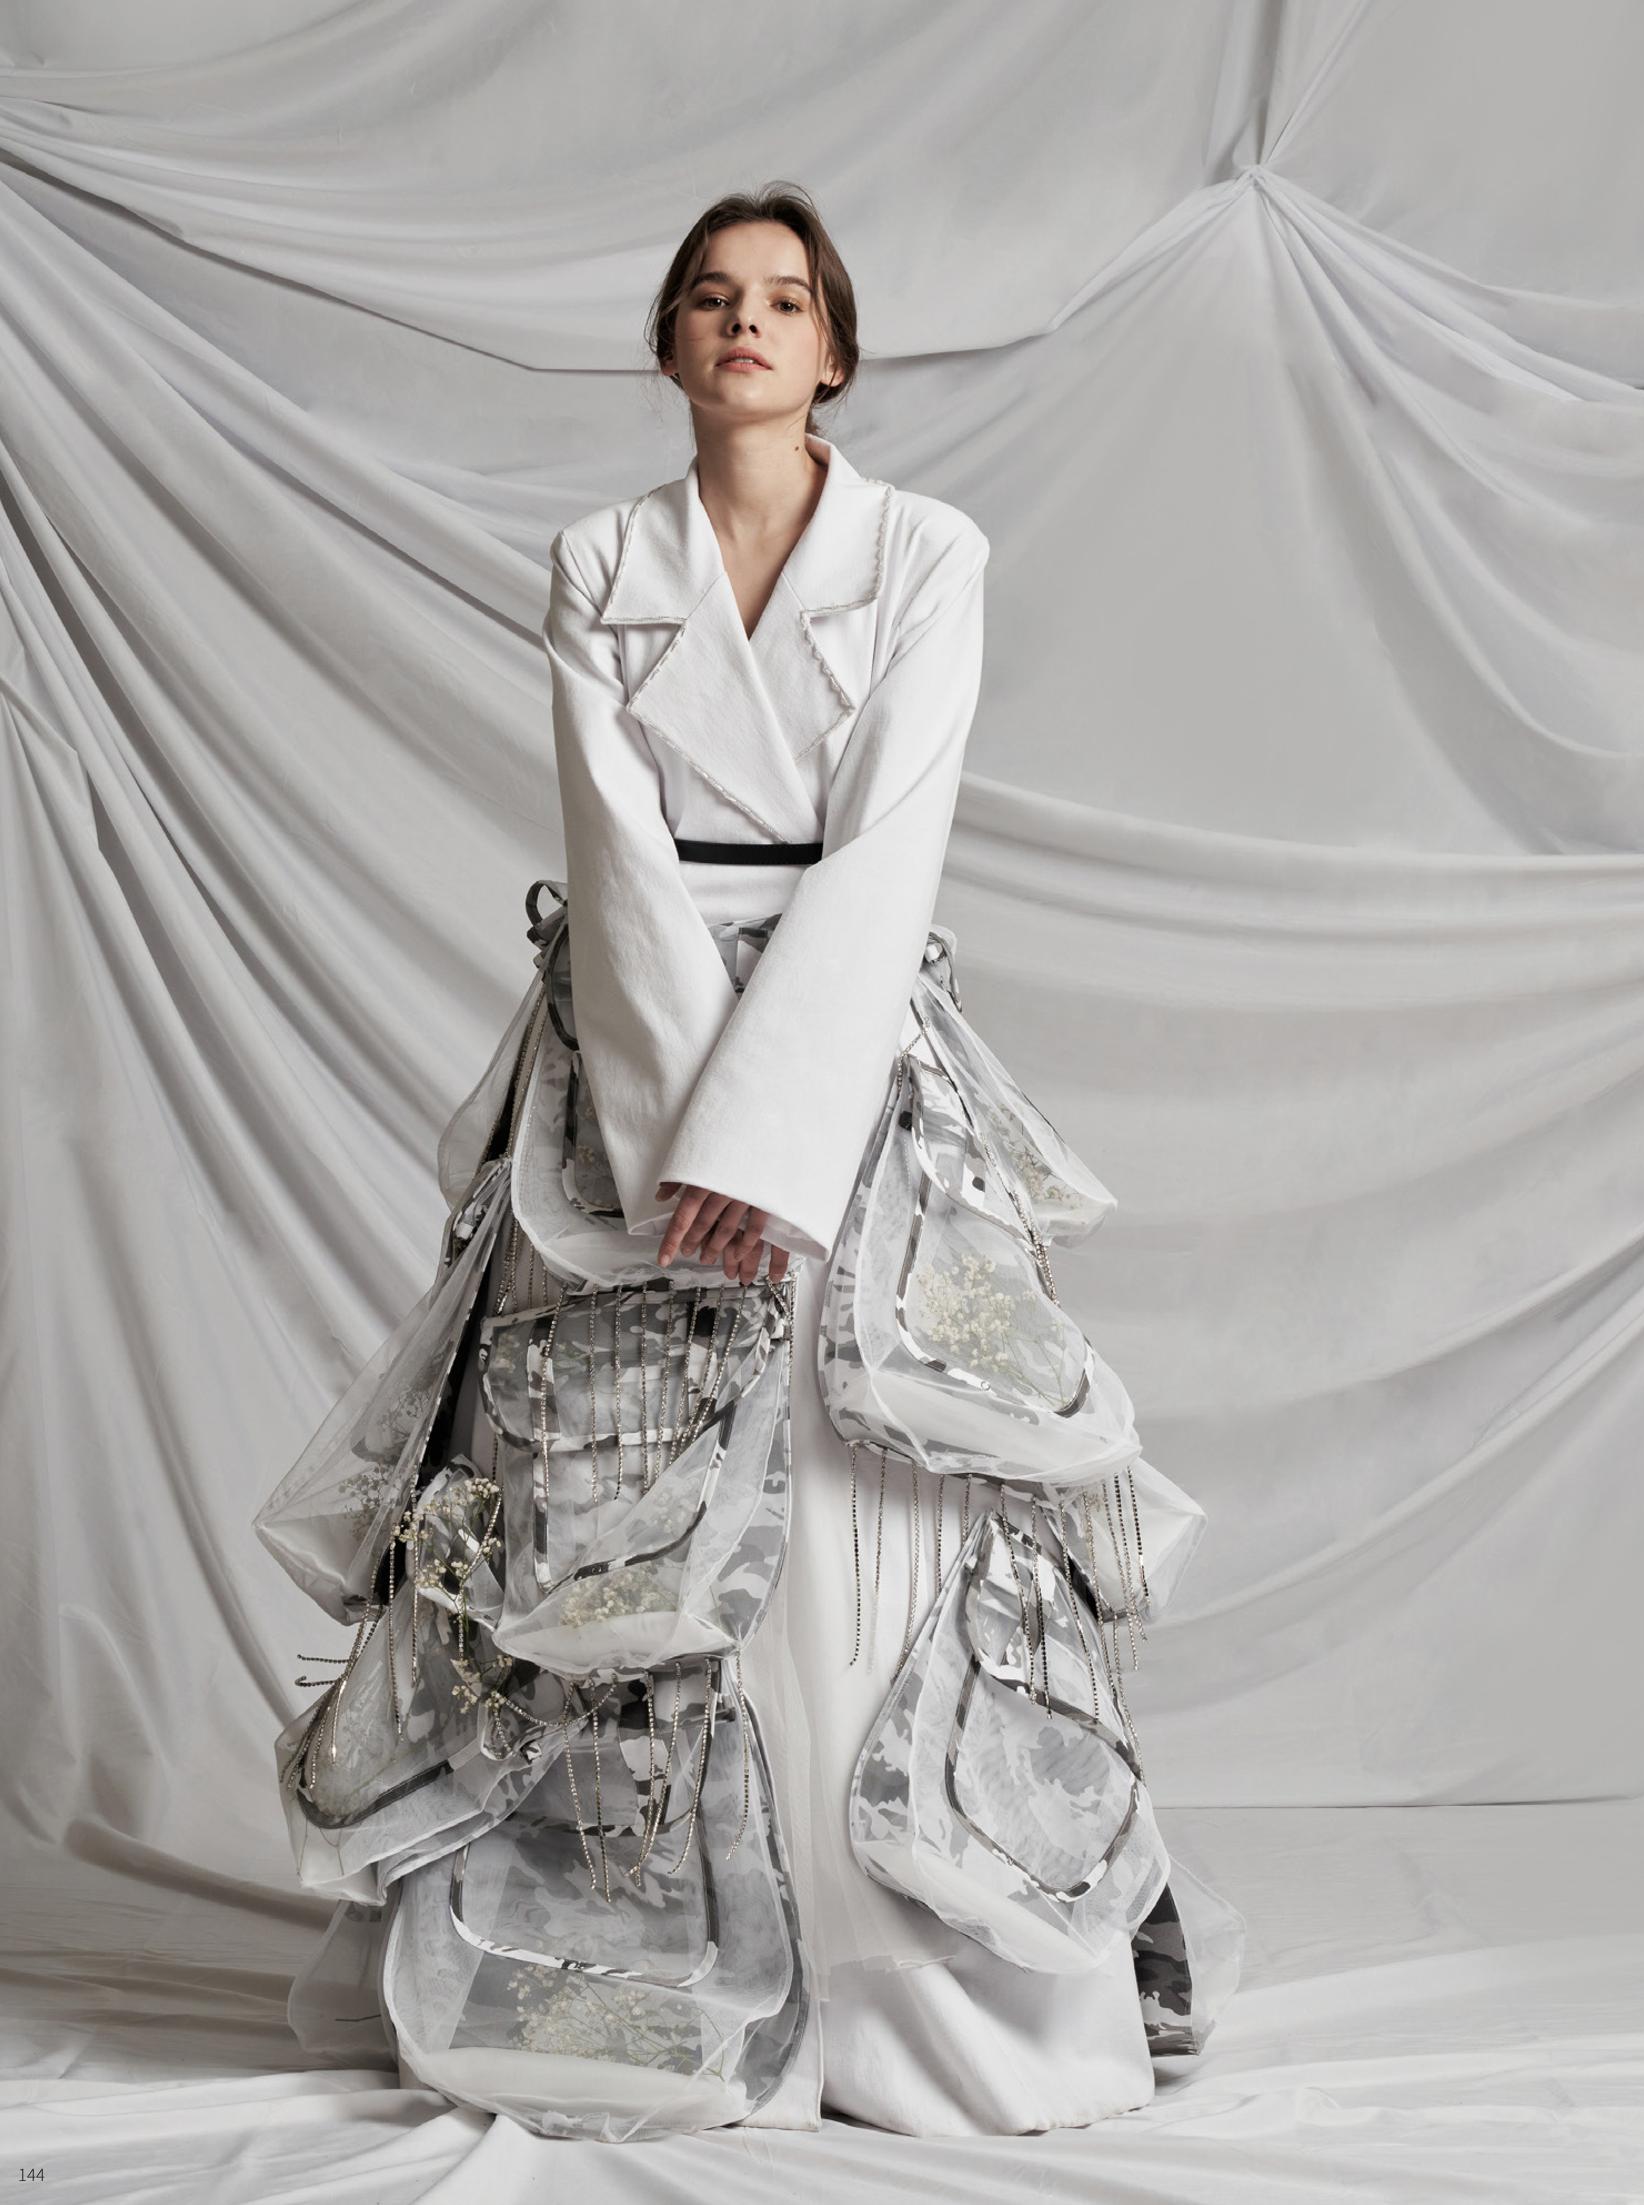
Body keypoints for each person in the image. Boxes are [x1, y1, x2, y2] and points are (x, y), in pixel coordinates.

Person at [257, 183, 1241, 2144]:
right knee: (608, 1478)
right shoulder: (597, 558)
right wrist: (673, 1143)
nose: (745, 322)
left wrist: (769, 1140)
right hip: (631, 1050)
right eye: (710, 296)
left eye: (783, 299)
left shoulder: (926, 553)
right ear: (667, 344)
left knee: (869, 1468)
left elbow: (892, 842)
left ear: (834, 350)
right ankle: (630, 1964)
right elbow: (610, 846)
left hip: (844, 1045)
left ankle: (910, 1991)